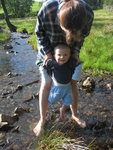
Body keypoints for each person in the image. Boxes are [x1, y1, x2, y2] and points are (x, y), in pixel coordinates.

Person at [33, 0, 94, 136]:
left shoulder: (88, 14)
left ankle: (75, 114)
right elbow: (39, 33)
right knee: (47, 83)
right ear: (58, 17)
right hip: (48, 52)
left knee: (73, 84)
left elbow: (81, 38)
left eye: (74, 32)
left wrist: (76, 53)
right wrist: (49, 54)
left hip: (69, 54)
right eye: (68, 31)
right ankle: (42, 119)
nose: (70, 36)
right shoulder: (48, 9)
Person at [45, 44, 86, 127]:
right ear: (54, 56)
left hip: (68, 88)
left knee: (68, 102)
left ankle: (62, 111)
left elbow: (79, 64)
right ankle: (44, 115)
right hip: (57, 88)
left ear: (69, 56)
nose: (62, 57)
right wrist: (46, 63)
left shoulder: (70, 63)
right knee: (50, 101)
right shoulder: (54, 63)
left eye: (65, 55)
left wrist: (77, 64)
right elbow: (46, 65)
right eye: (59, 55)